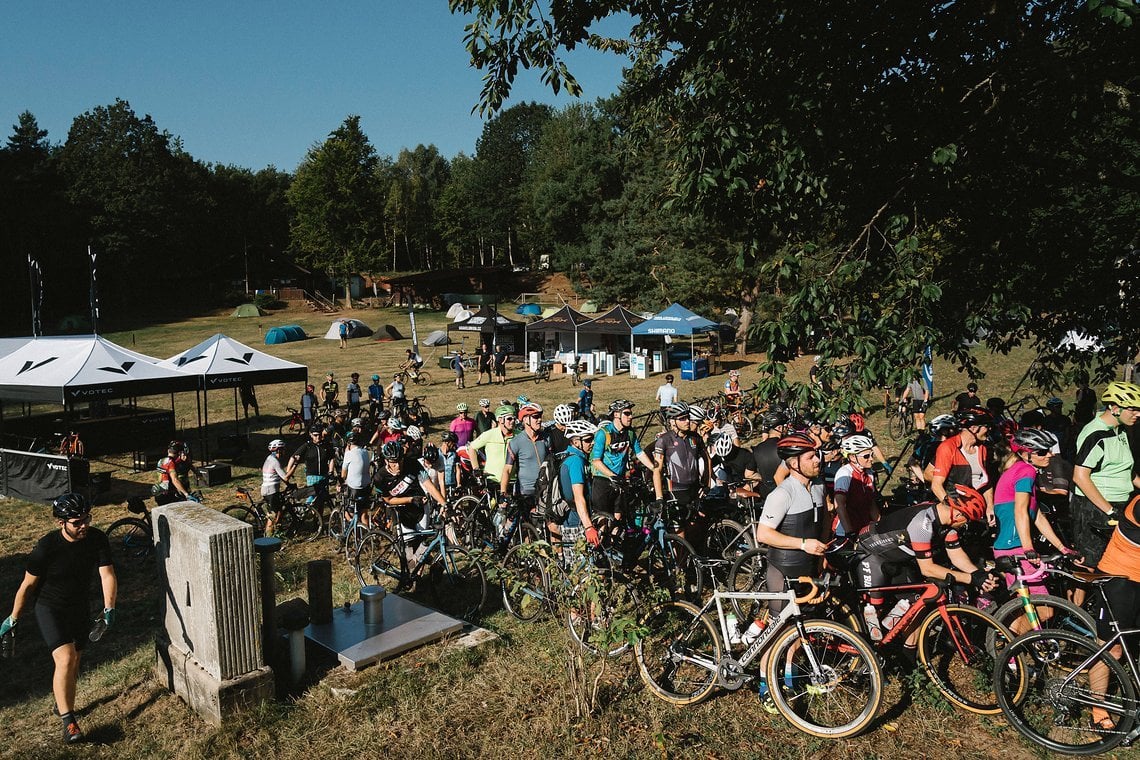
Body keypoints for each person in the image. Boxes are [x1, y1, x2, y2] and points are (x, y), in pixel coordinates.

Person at [0, 493, 116, 744]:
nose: (84, 525)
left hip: (79, 607)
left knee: (75, 663)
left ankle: (61, 701)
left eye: (87, 519)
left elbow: (107, 575)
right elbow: (27, 586)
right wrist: (14, 618)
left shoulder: (97, 539)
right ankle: (69, 723)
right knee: (66, 659)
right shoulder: (46, 547)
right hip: (50, 608)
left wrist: (109, 608)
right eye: (77, 522)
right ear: (61, 523)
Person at [856, 484, 997, 643]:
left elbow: (956, 555)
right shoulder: (923, 524)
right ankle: (862, 653)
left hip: (897, 560)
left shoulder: (947, 523)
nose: (966, 525)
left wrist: (978, 574)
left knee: (916, 608)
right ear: (957, 514)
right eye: (967, 520)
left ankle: (902, 657)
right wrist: (970, 579)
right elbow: (927, 569)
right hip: (870, 554)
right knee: (873, 613)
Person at [751, 433, 828, 699]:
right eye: (811, 457)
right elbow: (764, 535)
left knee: (802, 626)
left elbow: (825, 521)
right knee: (777, 629)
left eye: (816, 454)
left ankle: (790, 675)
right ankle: (765, 684)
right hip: (783, 569)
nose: (817, 460)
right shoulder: (782, 494)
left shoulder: (818, 486)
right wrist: (803, 543)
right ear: (794, 463)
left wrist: (822, 555)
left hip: (809, 567)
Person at [991, 428, 1076, 632]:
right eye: (1042, 452)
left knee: (1031, 607)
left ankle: (1006, 644)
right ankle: (1010, 651)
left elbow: (1037, 516)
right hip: (1015, 548)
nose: (1050, 454)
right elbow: (1020, 510)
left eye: (1048, 450)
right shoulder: (1025, 471)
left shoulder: (1020, 470)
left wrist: (1061, 547)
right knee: (1044, 610)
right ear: (1025, 453)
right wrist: (1029, 549)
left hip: (1012, 547)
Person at [1070, 381, 1140, 566]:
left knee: (1116, 563)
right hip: (1095, 506)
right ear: (1115, 408)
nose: (1138, 414)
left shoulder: (1121, 430)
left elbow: (1126, 472)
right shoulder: (1095, 433)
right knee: (1090, 566)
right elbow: (1080, 476)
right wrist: (1109, 510)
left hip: (1119, 504)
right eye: (1132, 409)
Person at [590, 399, 660, 522]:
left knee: (618, 518)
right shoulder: (604, 433)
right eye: (627, 413)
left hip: (620, 481)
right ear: (616, 414)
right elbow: (595, 461)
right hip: (603, 481)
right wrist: (612, 476)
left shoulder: (630, 433)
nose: (631, 417)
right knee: (603, 520)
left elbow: (639, 453)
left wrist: (655, 468)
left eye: (631, 413)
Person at [930, 406, 993, 523]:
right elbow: (936, 485)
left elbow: (985, 483)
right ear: (974, 428)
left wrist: (990, 506)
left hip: (978, 509)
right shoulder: (948, 447)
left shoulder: (983, 449)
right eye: (986, 426)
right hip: (957, 512)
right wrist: (954, 511)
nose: (989, 429)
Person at [550, 420, 602, 556]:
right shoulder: (575, 461)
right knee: (580, 572)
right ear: (576, 442)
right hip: (575, 522)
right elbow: (578, 497)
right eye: (588, 439)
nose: (592, 443)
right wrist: (588, 527)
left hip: (575, 520)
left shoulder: (574, 457)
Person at [502, 404, 550, 514]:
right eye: (535, 417)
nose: (539, 420)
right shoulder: (515, 442)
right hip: (526, 491)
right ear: (525, 419)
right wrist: (503, 493)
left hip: (545, 489)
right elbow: (507, 469)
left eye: (540, 416)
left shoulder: (546, 438)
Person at [833, 434, 881, 537]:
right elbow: (839, 505)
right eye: (866, 456)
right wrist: (849, 533)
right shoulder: (845, 473)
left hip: (863, 527)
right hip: (846, 530)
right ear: (852, 457)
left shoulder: (869, 473)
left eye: (872, 454)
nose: (871, 459)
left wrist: (880, 523)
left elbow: (871, 503)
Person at [284, 427, 338, 519]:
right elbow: (293, 457)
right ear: (311, 435)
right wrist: (288, 471)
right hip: (312, 476)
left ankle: (317, 520)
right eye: (315, 435)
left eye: (319, 435)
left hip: (324, 475)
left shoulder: (326, 445)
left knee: (321, 500)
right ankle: (305, 511)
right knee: (313, 497)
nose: (318, 437)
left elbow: (332, 458)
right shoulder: (307, 446)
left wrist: (331, 472)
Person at [468, 405, 517, 490]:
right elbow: (472, 447)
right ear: (500, 419)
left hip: (512, 480)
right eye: (509, 419)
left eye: (514, 419)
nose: (513, 421)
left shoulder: (519, 435)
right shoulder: (490, 434)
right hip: (492, 479)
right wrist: (476, 468)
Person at [339, 432, 372, 524]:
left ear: (348, 444)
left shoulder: (349, 454)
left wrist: (341, 483)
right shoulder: (365, 452)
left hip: (354, 488)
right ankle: (367, 536)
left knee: (350, 512)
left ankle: (352, 528)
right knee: (364, 514)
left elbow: (343, 473)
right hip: (366, 486)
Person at [261, 439, 291, 535]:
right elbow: (285, 477)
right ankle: (269, 538)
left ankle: (275, 531)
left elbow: (279, 475)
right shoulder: (275, 461)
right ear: (278, 450)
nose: (284, 451)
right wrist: (294, 466)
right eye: (283, 449)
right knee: (272, 515)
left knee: (278, 510)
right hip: (271, 491)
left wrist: (289, 485)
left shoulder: (269, 458)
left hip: (267, 489)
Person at [155, 441, 194, 505]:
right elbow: (175, 480)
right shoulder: (171, 463)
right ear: (179, 453)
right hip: (169, 495)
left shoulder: (161, 461)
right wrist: (186, 494)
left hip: (160, 492)